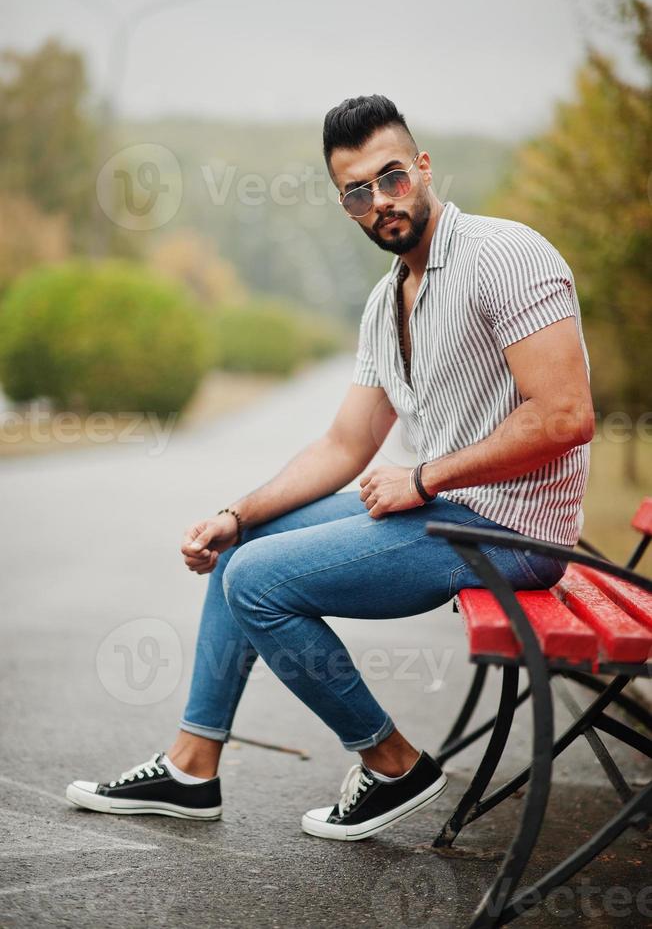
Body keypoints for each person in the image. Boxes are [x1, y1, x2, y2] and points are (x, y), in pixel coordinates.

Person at [66, 95, 594, 840]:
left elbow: (566, 415)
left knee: (258, 582)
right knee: (243, 548)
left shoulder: (505, 256)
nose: (380, 201)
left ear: (422, 167)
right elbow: (344, 446)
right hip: (450, 512)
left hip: (512, 534)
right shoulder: (389, 301)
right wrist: (236, 514)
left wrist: (422, 479)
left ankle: (392, 764)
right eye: (358, 191)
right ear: (343, 203)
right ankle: (191, 768)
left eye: (391, 179)